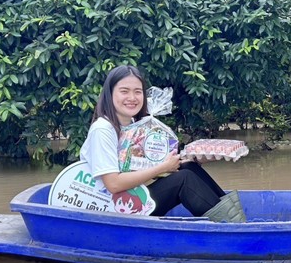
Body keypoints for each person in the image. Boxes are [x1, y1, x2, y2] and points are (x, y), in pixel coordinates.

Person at [80, 65, 229, 218]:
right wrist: (162, 168)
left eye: (138, 92)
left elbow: (142, 166)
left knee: (188, 167)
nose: (132, 98)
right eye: (124, 91)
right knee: (184, 179)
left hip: (132, 194)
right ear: (110, 93)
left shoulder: (134, 125)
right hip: (113, 207)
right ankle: (226, 224)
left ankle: (232, 217)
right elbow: (114, 184)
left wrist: (182, 161)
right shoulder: (103, 129)